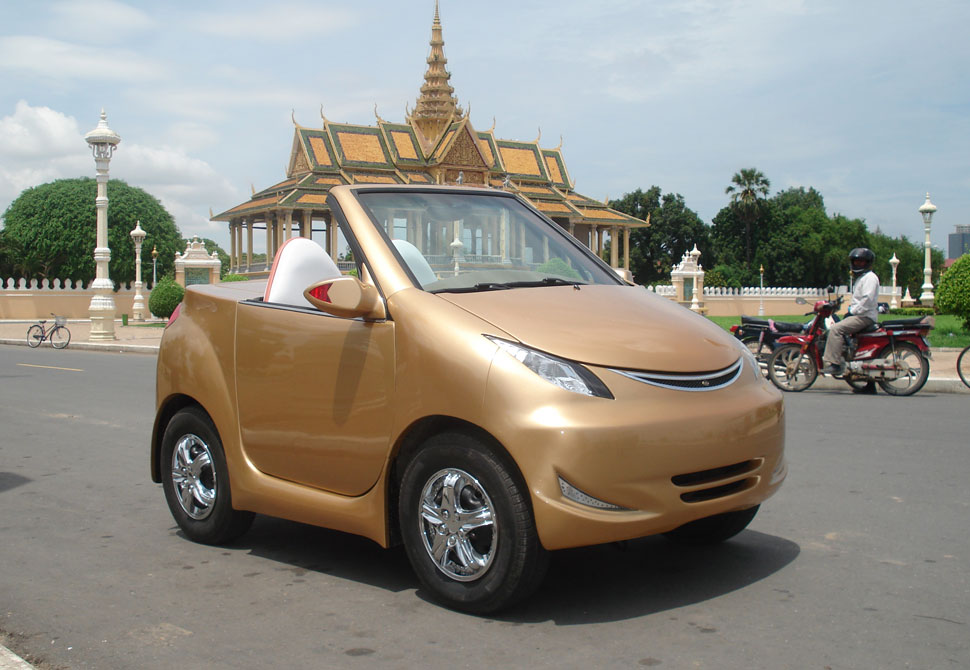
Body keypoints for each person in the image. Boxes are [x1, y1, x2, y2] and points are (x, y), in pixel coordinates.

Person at [821, 248, 880, 376]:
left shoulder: (870, 278)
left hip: (864, 316)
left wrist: (852, 312)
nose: (857, 264)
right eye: (856, 261)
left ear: (868, 263)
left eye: (861, 262)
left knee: (835, 329)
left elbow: (867, 300)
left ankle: (835, 364)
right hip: (861, 315)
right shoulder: (862, 278)